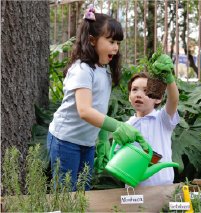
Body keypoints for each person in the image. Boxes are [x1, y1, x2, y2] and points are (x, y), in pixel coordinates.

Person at [47, 4, 146, 191]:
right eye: (111, 41)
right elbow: (84, 110)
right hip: (65, 141)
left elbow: (99, 107)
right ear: (92, 40)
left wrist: (102, 139)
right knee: (66, 194)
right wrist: (118, 126)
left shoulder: (104, 70)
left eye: (118, 43)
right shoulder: (82, 69)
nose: (116, 48)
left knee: (83, 194)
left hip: (87, 142)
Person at [126, 54, 180, 187]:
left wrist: (169, 79)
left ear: (158, 98)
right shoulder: (126, 126)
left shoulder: (163, 119)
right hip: (134, 190)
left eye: (146, 91)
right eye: (134, 90)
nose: (139, 94)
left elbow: (173, 99)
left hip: (164, 187)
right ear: (129, 96)